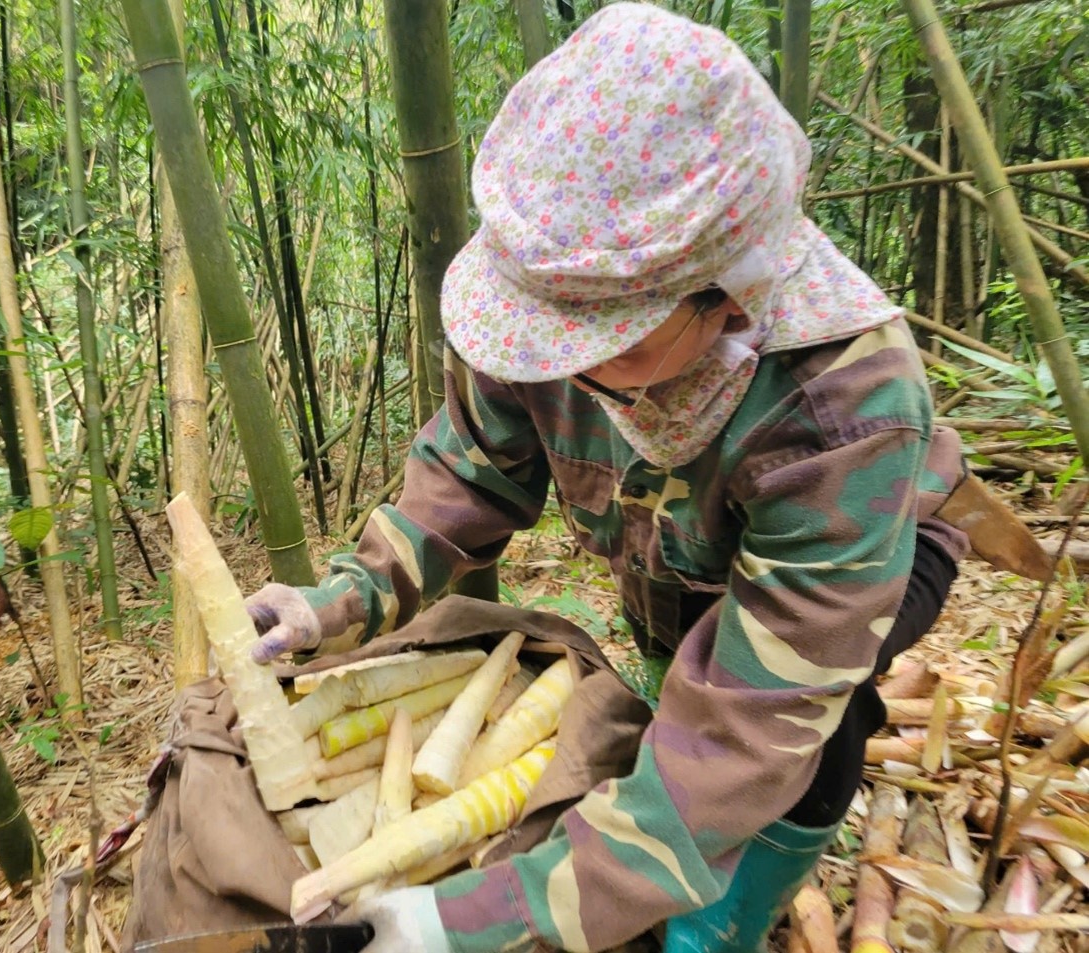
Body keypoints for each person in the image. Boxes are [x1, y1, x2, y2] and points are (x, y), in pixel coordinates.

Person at [246, 5, 969, 951]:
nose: (558, 364)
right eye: (544, 333)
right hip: (677, 560)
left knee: (803, 745)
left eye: (601, 340)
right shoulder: (551, 297)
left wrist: (453, 921)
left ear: (724, 293)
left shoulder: (842, 416)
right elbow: (467, 470)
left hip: (862, 559)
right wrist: (339, 600)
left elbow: (742, 732)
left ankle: (728, 916)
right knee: (679, 676)